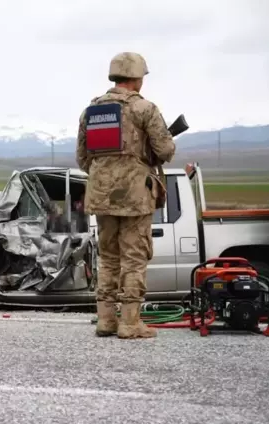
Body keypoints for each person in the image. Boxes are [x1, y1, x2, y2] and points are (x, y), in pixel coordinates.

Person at [75, 52, 176, 339]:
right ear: (137, 77)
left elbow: (83, 159)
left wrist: (107, 171)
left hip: (101, 194)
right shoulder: (144, 109)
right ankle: (130, 323)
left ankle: (105, 320)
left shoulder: (90, 112)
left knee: (107, 257)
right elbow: (166, 150)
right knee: (134, 257)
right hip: (134, 196)